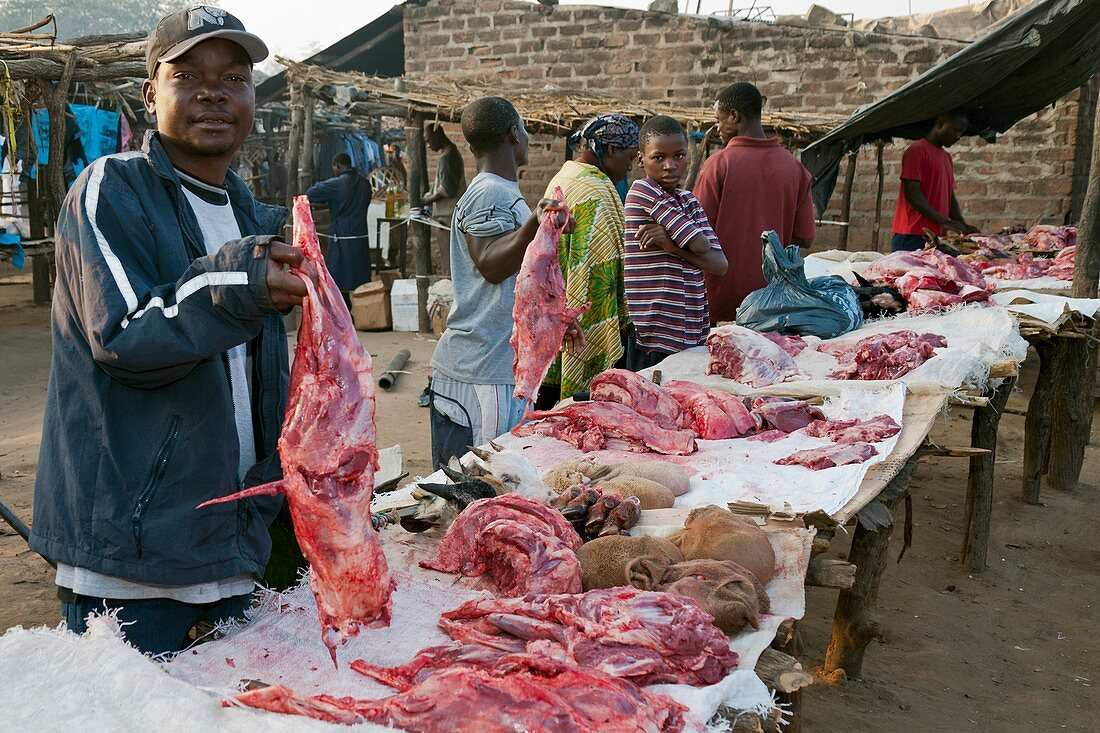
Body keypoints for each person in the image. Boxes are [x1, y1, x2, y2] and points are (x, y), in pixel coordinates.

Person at [29, 6, 306, 655]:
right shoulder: (110, 189)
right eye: (188, 74)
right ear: (150, 93)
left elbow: (254, 387)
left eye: (233, 76)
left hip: (232, 552)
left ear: (251, 98)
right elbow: (125, 334)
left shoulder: (246, 213)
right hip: (135, 570)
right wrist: (240, 282)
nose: (213, 91)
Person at [428, 96, 582, 470]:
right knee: (482, 493)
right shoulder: (490, 191)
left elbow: (517, 278)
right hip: (481, 372)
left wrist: (553, 318)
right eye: (524, 128)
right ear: (514, 132)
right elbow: (491, 264)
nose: (527, 136)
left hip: (493, 367)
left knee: (493, 490)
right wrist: (534, 221)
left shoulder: (498, 190)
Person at [538, 113, 639, 407]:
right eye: (629, 157)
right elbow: (603, 265)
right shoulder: (595, 189)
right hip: (583, 319)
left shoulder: (565, 176)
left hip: (558, 309)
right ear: (609, 150)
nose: (630, 166)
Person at [694, 82, 815, 324]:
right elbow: (805, 238)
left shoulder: (718, 165)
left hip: (719, 301)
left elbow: (696, 235)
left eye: (719, 121)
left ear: (734, 116)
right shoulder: (794, 168)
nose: (717, 128)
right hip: (773, 301)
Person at [623, 116, 728, 371]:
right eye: (658, 157)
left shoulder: (688, 200)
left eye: (679, 156)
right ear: (641, 160)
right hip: (654, 333)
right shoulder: (642, 190)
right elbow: (701, 246)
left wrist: (671, 246)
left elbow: (720, 264)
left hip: (691, 329)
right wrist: (686, 245)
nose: (669, 166)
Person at [890, 111, 978, 251]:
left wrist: (962, 225)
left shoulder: (946, 157)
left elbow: (949, 196)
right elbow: (912, 193)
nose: (957, 136)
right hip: (912, 234)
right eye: (954, 130)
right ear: (940, 124)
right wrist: (944, 222)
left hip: (937, 237)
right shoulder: (917, 151)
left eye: (961, 132)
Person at [306, 151, 373, 296]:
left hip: (341, 233)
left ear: (337, 165)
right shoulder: (365, 183)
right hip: (360, 232)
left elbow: (311, 192)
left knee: (339, 273)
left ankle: (344, 308)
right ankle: (363, 304)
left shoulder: (336, 184)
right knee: (360, 272)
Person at [423, 123, 467, 276]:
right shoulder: (448, 153)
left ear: (438, 136)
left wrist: (425, 201)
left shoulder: (448, 156)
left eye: (429, 141)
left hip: (447, 218)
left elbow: (447, 189)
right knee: (450, 263)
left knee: (449, 266)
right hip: (449, 216)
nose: (429, 146)